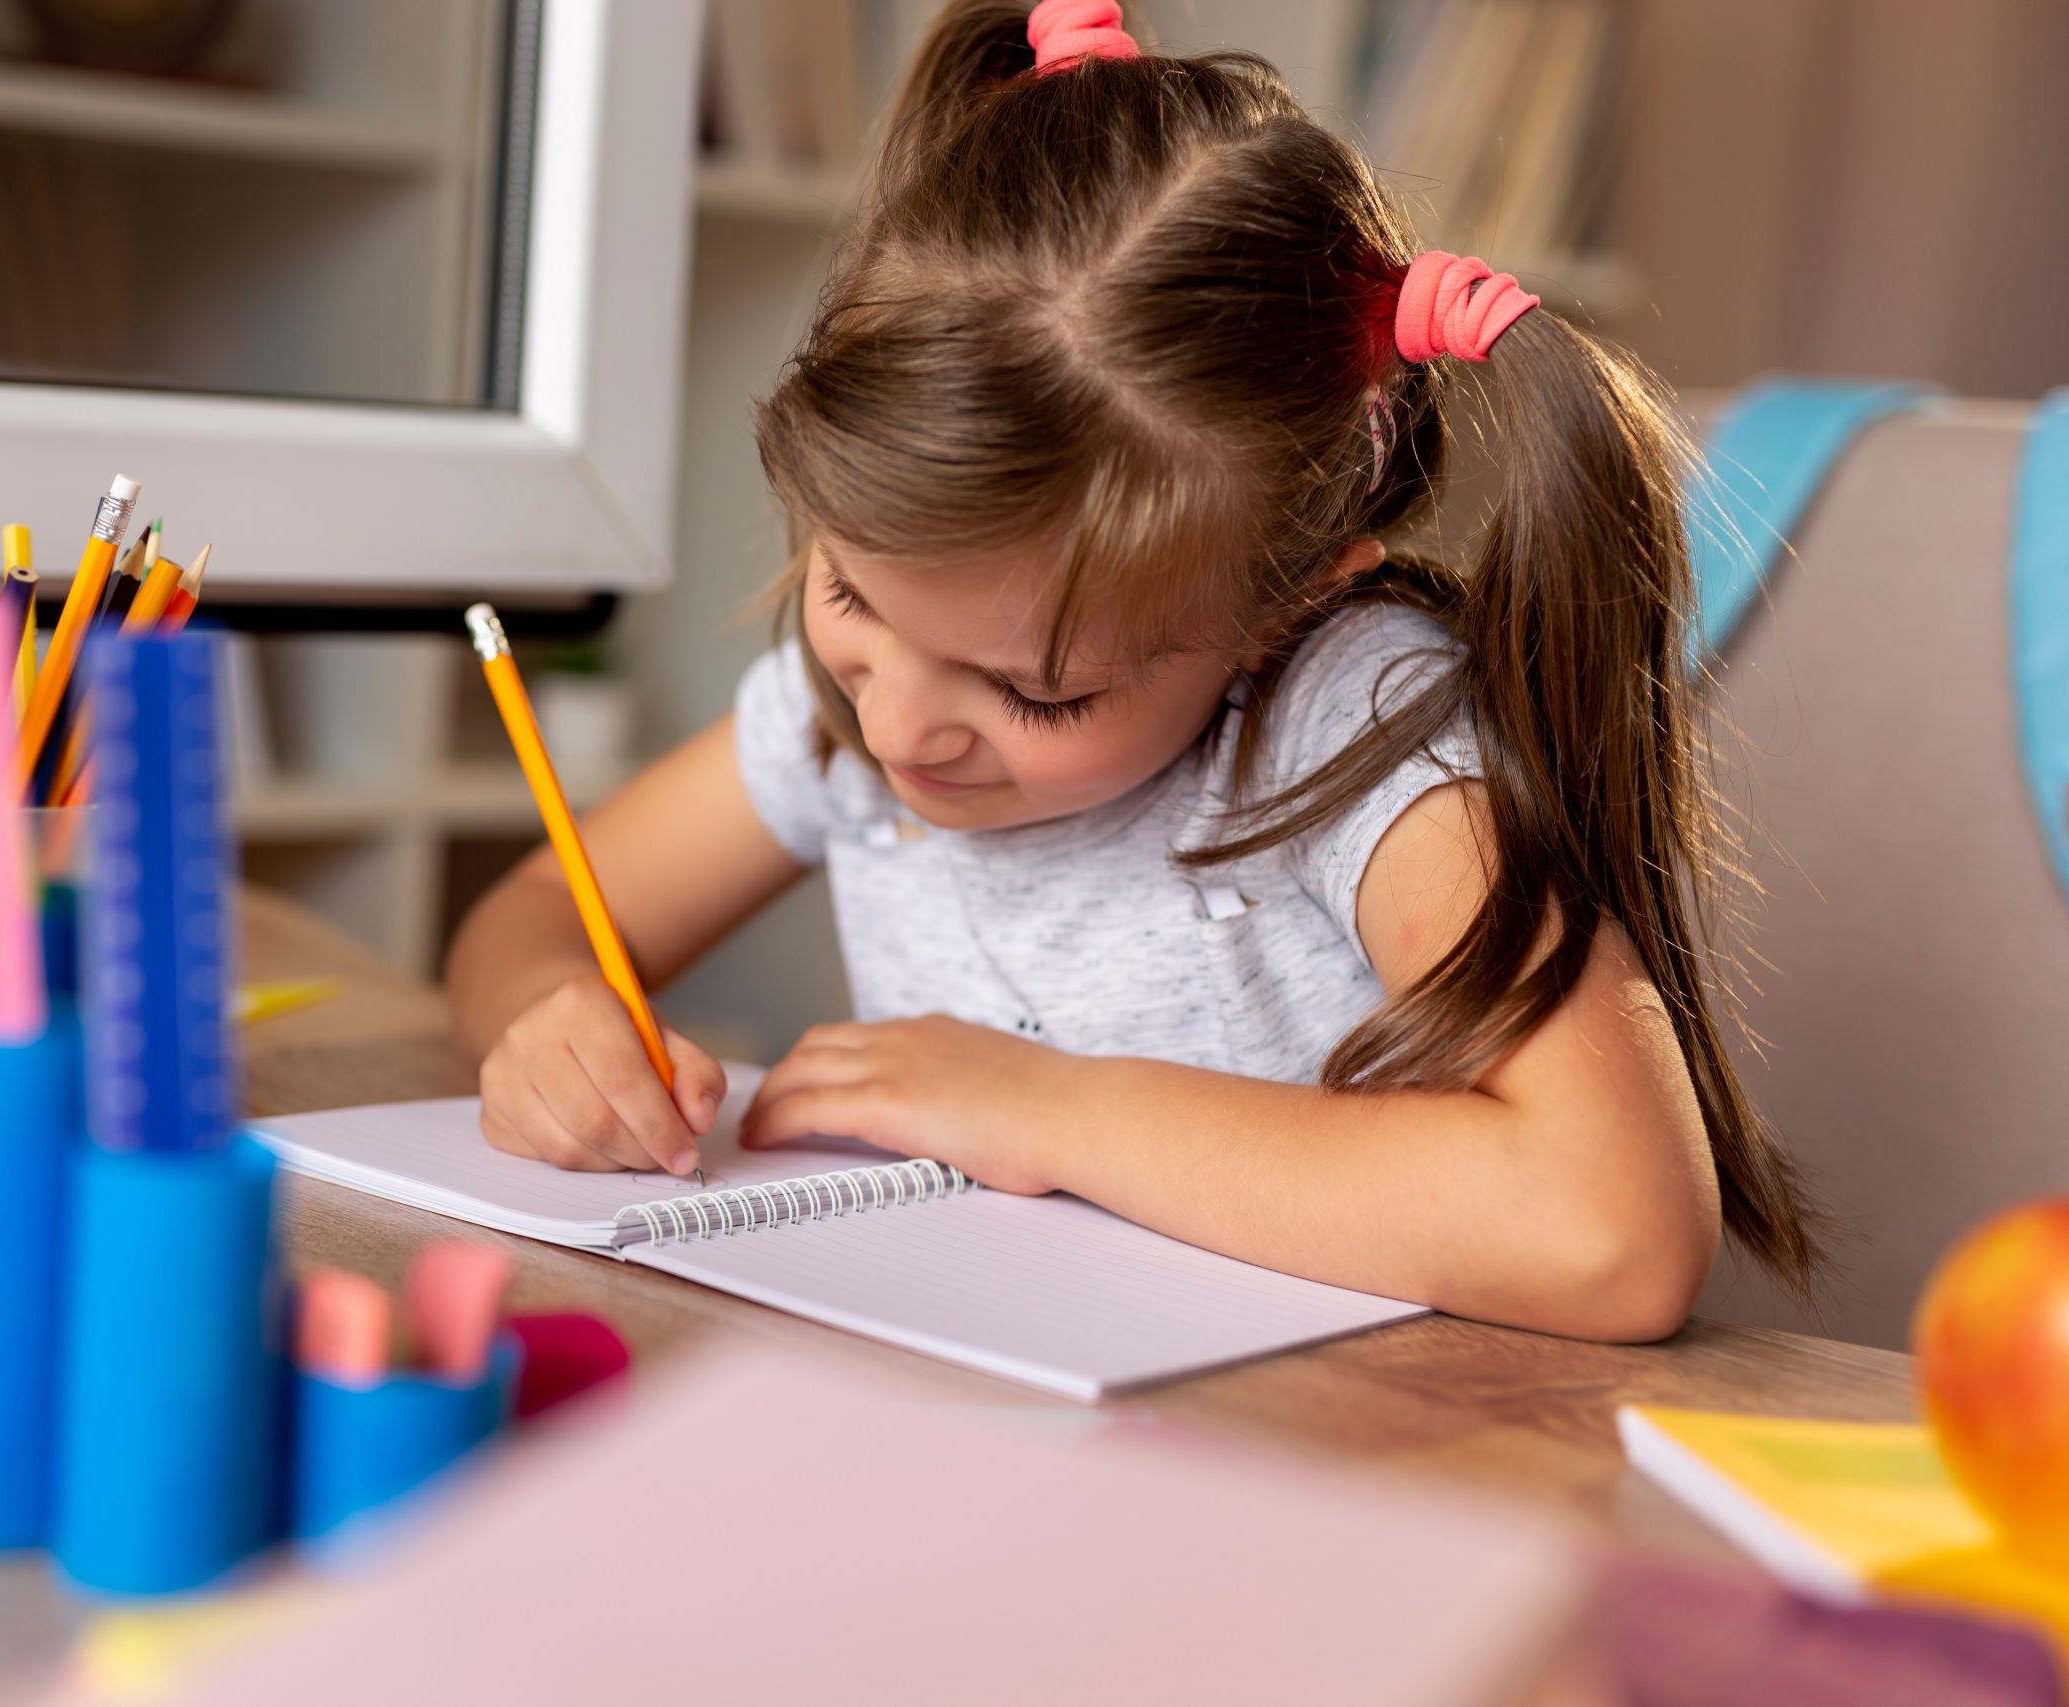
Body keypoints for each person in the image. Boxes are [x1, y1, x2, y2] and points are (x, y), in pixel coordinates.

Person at [446, 0, 1822, 1341]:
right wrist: (547, 1028)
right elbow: (526, 927)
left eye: (1037, 693)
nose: (903, 727)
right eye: (850, 590)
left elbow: (1615, 1234)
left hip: (1341, 1471)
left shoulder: (1356, 733)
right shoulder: (836, 719)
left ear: (1280, 606)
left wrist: (1049, 1108)